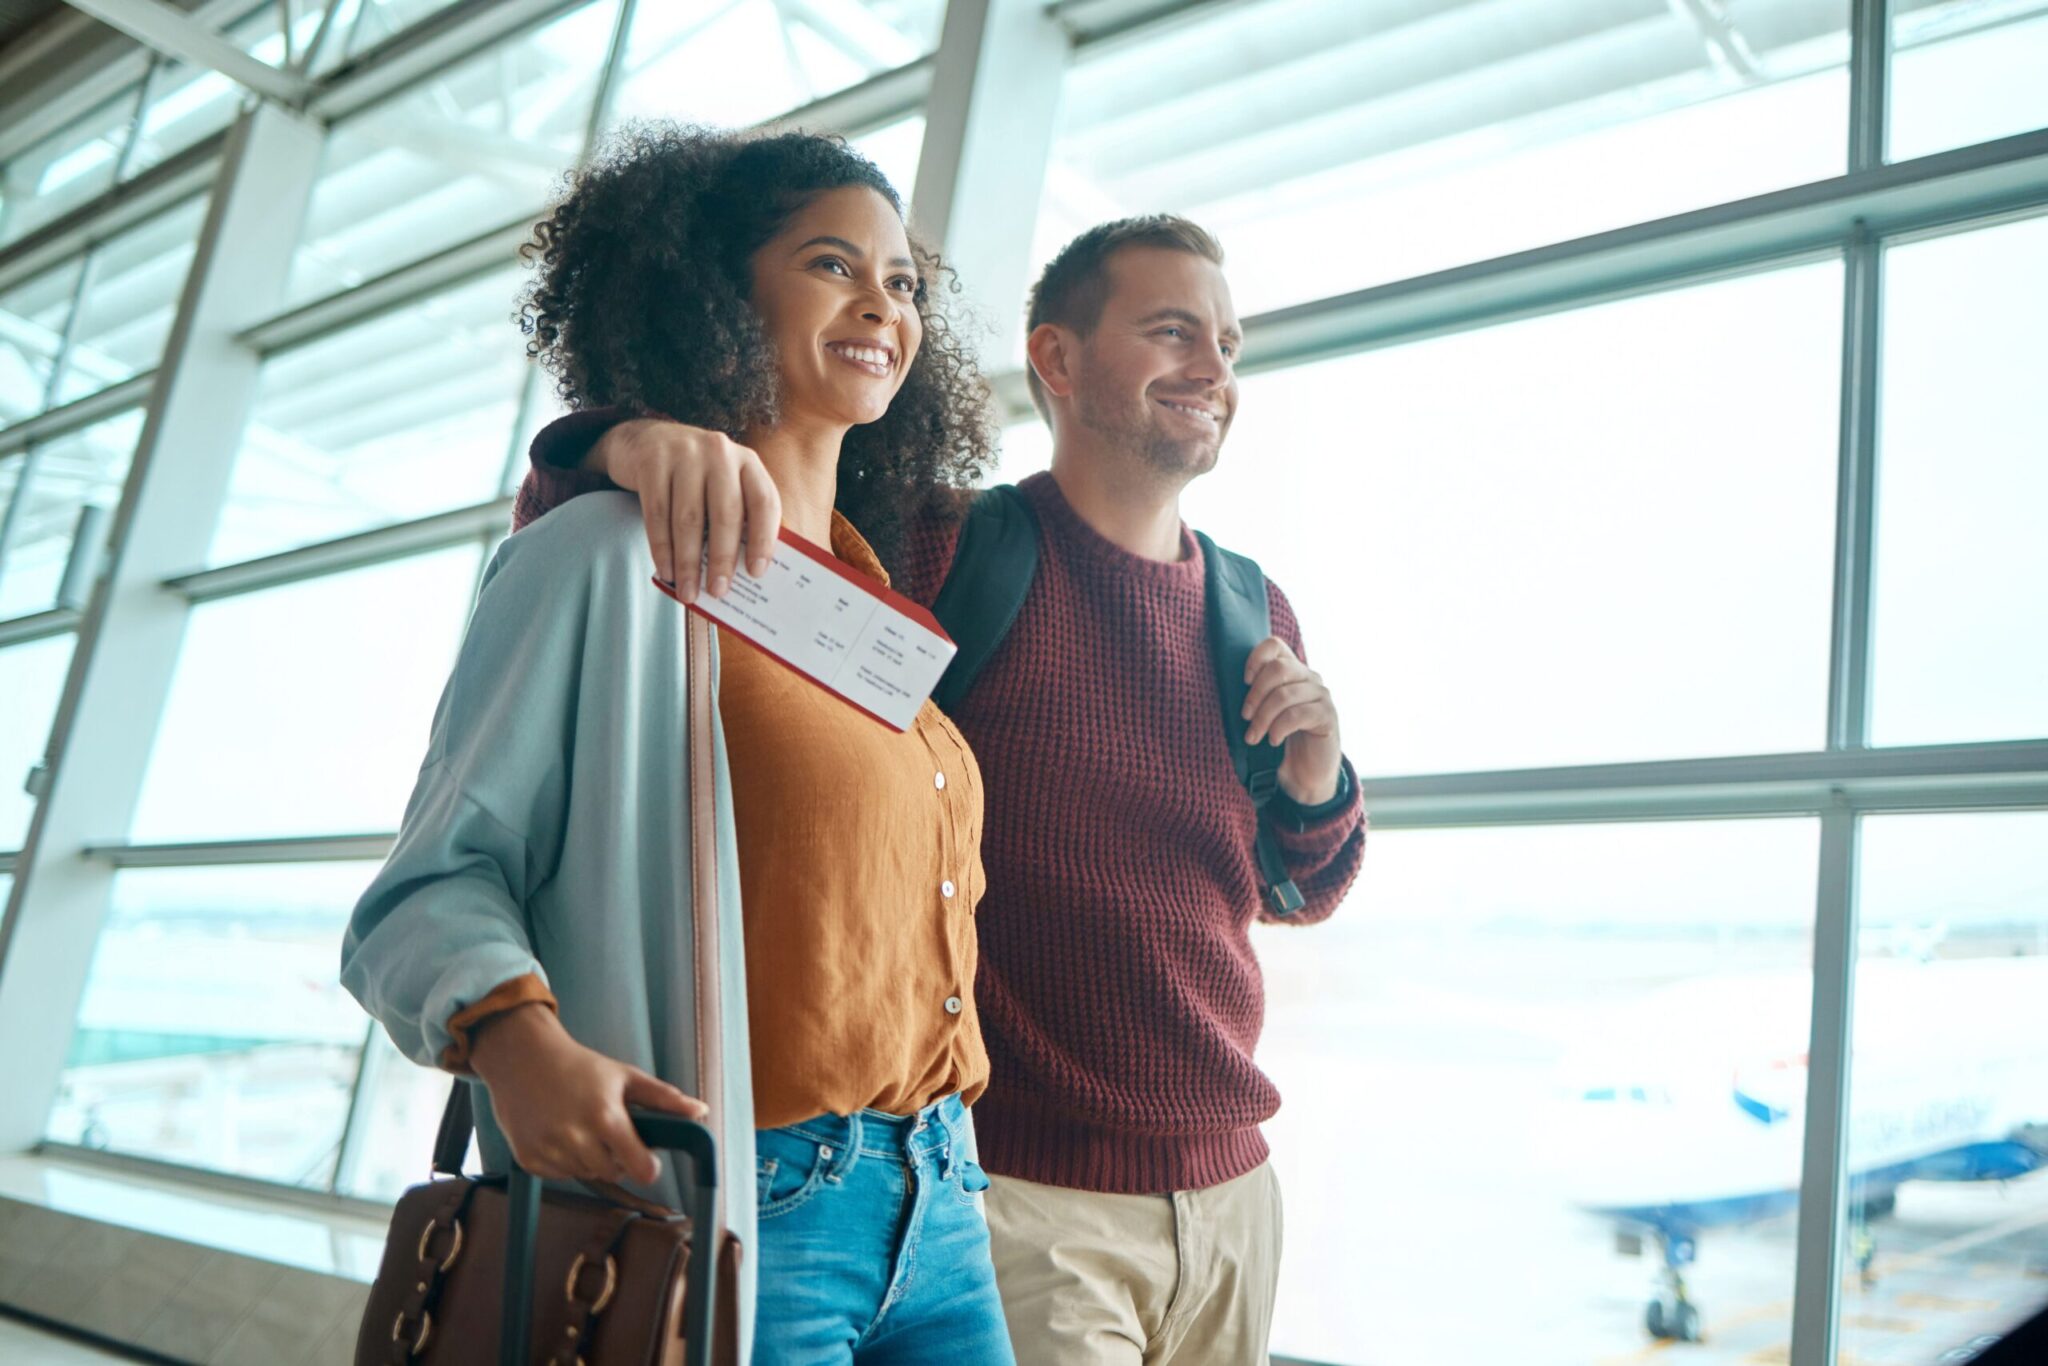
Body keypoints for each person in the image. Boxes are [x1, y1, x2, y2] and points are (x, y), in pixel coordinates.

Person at [514, 214, 1368, 1365]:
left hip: (1228, 1196)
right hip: (1014, 1198)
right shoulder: (954, 552)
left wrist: (1319, 783)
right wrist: (615, 444)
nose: (1214, 369)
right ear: (1055, 360)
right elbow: (726, 520)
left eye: (1225, 341)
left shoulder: (1253, 611)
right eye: (1172, 332)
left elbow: (1289, 891)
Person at [340, 125, 1018, 1365]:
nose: (881, 302)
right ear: (713, 291)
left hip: (942, 1203)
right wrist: (519, 1044)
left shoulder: (875, 611)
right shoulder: (609, 552)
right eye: (830, 263)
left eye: (903, 281)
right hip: (743, 1201)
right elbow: (425, 890)